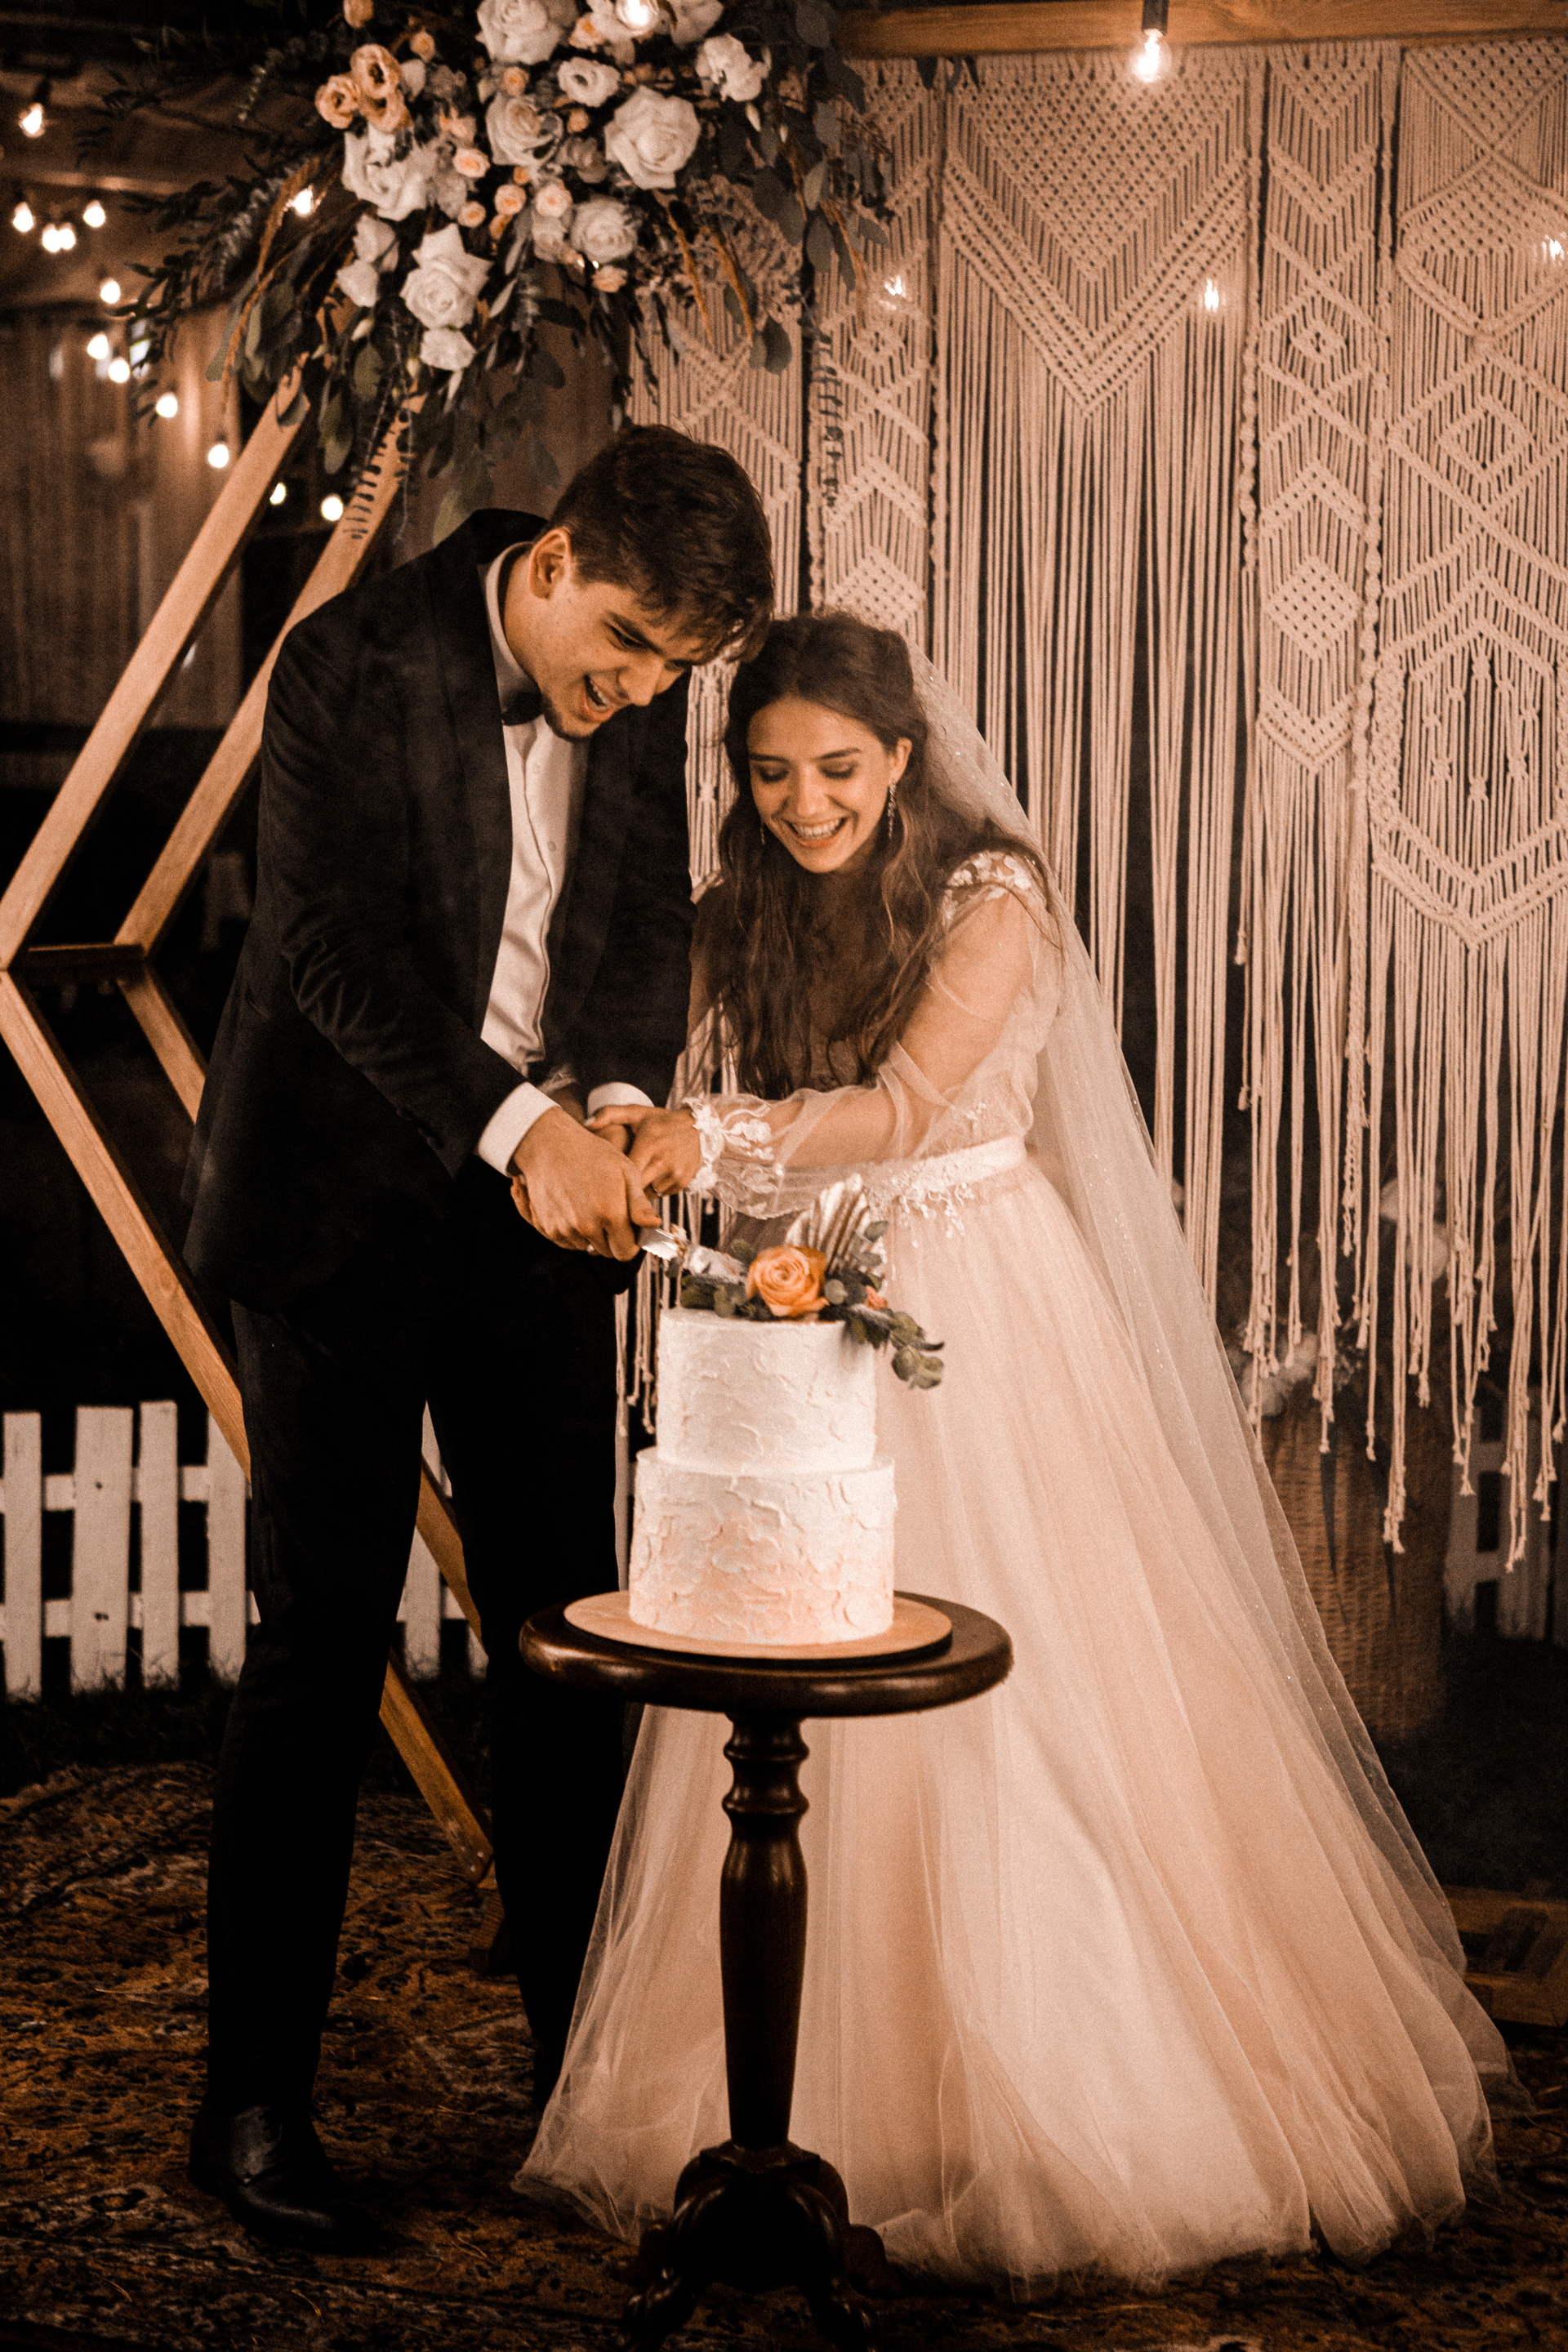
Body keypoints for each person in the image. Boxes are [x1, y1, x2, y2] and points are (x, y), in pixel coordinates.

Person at [521, 612, 1513, 2292]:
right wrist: (610, 1110)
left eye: (839, 770)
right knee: (805, 1679)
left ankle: (1068, 2090)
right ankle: (814, 2093)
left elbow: (908, 1114)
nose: (805, 804)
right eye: (771, 774)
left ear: (904, 758)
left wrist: (710, 1136)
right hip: (815, 1293)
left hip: (978, 1297)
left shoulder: (995, 899)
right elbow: (643, 1022)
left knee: (1018, 1699)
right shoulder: (750, 893)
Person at [180, 425, 773, 2251]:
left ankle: (584, 2096)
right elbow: (327, 954)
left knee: (565, 1637)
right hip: (333, 1211)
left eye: (670, 673)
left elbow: (639, 922)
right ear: (555, 563)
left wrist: (616, 1097)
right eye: (625, 653)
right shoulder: (348, 659)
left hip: (532, 1220)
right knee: (321, 1648)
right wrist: (526, 1134)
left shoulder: (635, 681)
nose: (637, 696)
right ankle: (250, 2108)